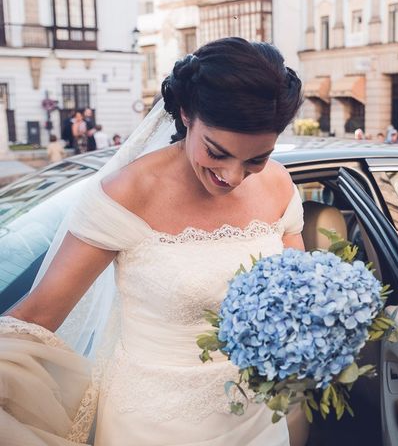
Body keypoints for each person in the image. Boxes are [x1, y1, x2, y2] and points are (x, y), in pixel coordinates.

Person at [1, 38, 308, 445]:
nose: (233, 177)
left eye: (255, 159)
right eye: (217, 152)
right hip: (154, 423)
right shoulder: (127, 192)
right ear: (185, 113)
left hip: (255, 416)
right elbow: (39, 314)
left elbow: (298, 294)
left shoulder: (279, 186)